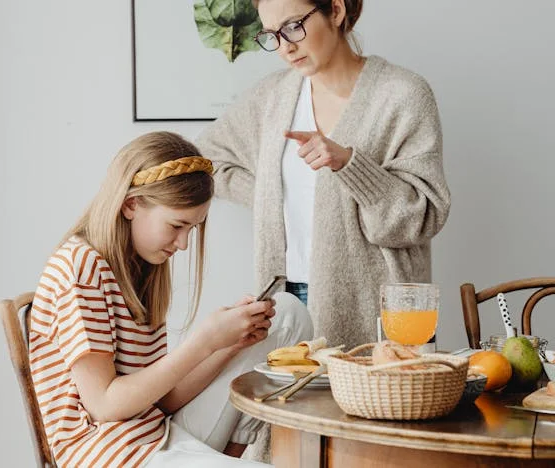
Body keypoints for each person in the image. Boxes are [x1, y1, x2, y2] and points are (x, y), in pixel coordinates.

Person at [28, 131, 313, 467]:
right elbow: (104, 406)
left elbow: (161, 402)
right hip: (107, 454)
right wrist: (205, 342)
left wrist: (229, 346)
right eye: (177, 225)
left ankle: (227, 457)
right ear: (131, 204)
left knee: (288, 313)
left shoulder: (140, 268)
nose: (183, 244)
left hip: (155, 434)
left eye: (192, 228)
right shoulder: (80, 265)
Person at [197, 0, 450, 350]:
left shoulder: (402, 95)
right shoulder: (272, 97)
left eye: (293, 26)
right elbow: (206, 158)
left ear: (336, 10)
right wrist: (272, 195)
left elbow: (421, 217)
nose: (285, 47)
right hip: (287, 301)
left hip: (376, 307)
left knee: (369, 387)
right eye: (272, 35)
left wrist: (350, 165)